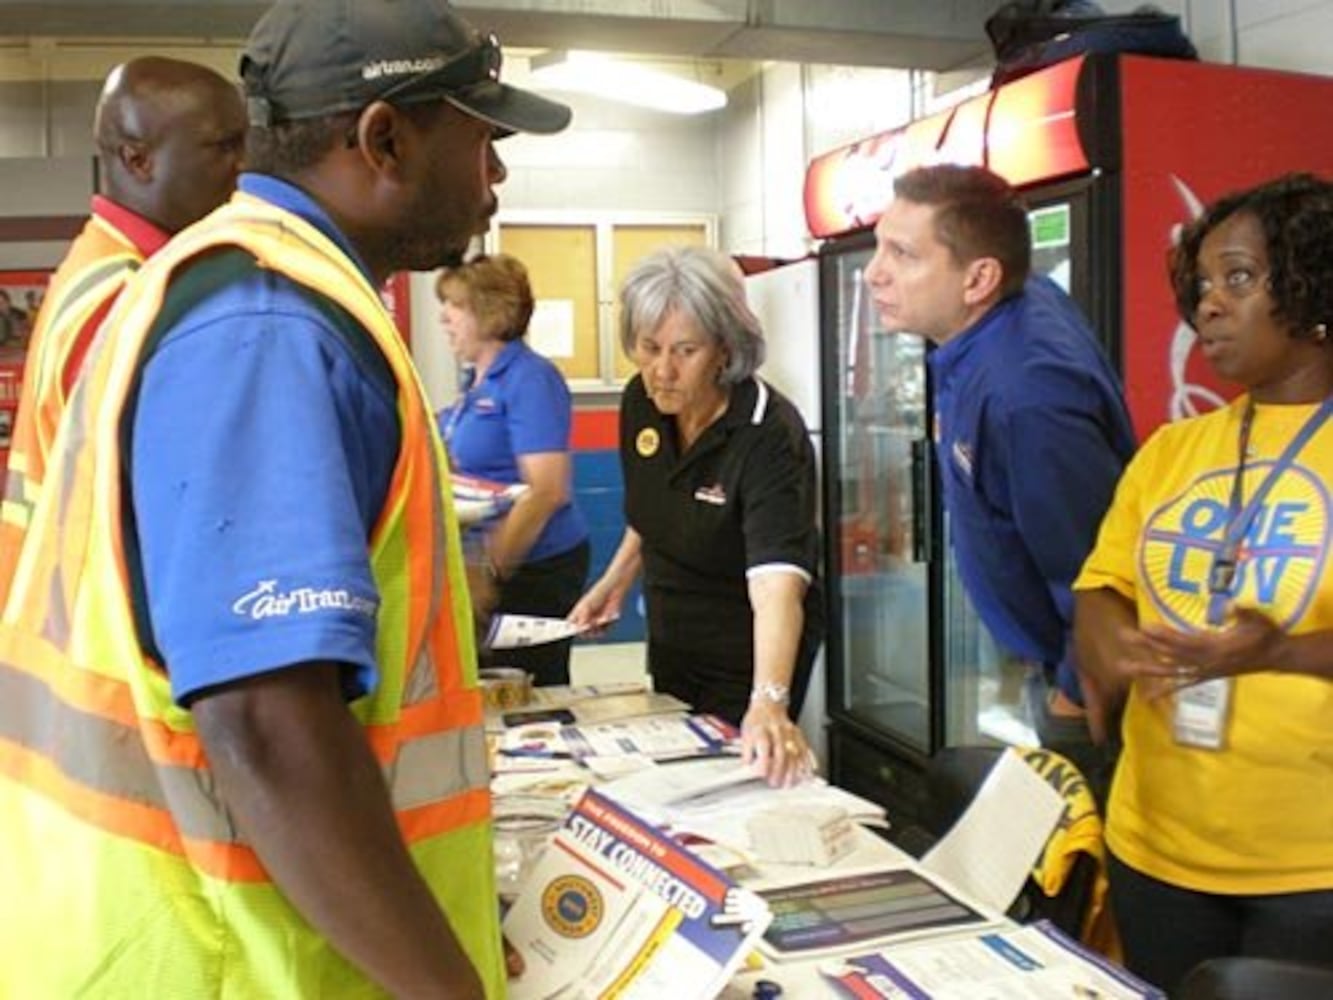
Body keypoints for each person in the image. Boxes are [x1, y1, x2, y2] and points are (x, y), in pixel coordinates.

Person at [0, 0, 570, 996]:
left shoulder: (261, 293)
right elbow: (266, 723)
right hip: (217, 955)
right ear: (384, 138)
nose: (497, 175)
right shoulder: (268, 323)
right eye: (481, 138)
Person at [1073, 172, 1333, 994]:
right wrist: (1113, 645)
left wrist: (1281, 653)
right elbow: (1099, 586)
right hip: (1156, 849)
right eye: (1203, 283)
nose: (1206, 307)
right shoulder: (1171, 451)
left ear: (1312, 285)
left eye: (1239, 278)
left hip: (1311, 869)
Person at [863, 164, 1135, 794]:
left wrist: (1071, 698)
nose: (875, 272)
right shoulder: (989, 322)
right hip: (1041, 658)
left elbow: (1096, 571)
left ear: (979, 278)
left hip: (1085, 687)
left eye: (902, 254)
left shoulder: (1028, 396)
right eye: (879, 245)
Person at [569, 245, 823, 786]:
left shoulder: (768, 434)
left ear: (725, 349)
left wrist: (769, 701)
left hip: (750, 648)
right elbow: (657, 504)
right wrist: (613, 582)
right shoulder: (642, 400)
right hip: (671, 632)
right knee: (676, 777)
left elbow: (777, 586)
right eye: (649, 347)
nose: (662, 370)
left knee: (734, 782)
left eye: (685, 350)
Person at [0, 56, 245, 604]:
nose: (243, 168)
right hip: (102, 644)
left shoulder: (107, 269)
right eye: (223, 146)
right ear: (138, 159)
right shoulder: (129, 299)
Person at [436, 253, 590, 685]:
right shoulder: (478, 382)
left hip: (534, 566)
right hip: (492, 560)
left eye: (455, 306)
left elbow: (546, 491)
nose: (443, 318)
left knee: (527, 687)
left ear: (490, 313)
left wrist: (488, 572)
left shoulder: (530, 378)